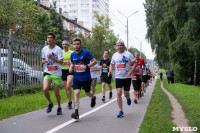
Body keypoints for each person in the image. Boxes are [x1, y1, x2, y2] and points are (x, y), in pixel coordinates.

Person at [108, 40, 137, 118]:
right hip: (118, 77)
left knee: (126, 93)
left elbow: (135, 63)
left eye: (121, 45)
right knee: (118, 92)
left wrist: (131, 72)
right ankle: (121, 111)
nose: (119, 47)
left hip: (127, 77)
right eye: (118, 45)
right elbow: (111, 64)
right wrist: (110, 70)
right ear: (116, 46)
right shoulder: (114, 55)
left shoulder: (128, 54)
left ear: (123, 46)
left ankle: (128, 98)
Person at [69, 38, 97, 120]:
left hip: (86, 77)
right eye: (74, 44)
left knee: (88, 93)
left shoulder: (85, 53)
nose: (76, 45)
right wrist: (71, 67)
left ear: (80, 45)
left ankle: (93, 97)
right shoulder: (72, 54)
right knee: (76, 93)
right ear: (73, 45)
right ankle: (76, 112)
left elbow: (94, 61)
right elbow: (72, 63)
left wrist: (87, 66)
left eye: (77, 44)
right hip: (77, 77)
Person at [42, 32, 63, 115]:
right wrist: (43, 61)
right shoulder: (44, 49)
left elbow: (61, 62)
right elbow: (42, 59)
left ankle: (59, 107)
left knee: (56, 92)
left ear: (54, 39)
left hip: (57, 73)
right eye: (48, 38)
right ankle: (50, 103)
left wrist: (52, 58)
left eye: (51, 37)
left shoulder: (58, 49)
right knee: (45, 89)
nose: (49, 39)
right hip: (47, 72)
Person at [61, 40, 74, 109]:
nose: (65, 45)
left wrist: (71, 65)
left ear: (68, 45)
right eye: (63, 44)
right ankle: (69, 101)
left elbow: (74, 61)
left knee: (68, 85)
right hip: (63, 70)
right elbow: (58, 61)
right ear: (62, 45)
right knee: (66, 87)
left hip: (70, 70)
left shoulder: (71, 53)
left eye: (66, 44)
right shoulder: (60, 52)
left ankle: (69, 101)